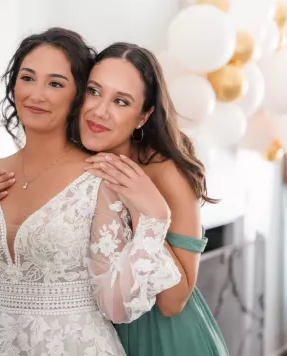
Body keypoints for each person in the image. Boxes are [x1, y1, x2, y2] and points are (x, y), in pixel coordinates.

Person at [0, 28, 181, 355]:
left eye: (55, 83)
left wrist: (155, 218)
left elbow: (116, 306)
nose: (36, 94)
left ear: (78, 95)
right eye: (28, 78)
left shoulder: (98, 179)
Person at [80, 42, 229, 356]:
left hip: (162, 338)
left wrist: (146, 211)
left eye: (121, 101)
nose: (100, 111)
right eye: (94, 91)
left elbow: (174, 302)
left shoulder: (166, 173)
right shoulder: (72, 160)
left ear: (143, 116)